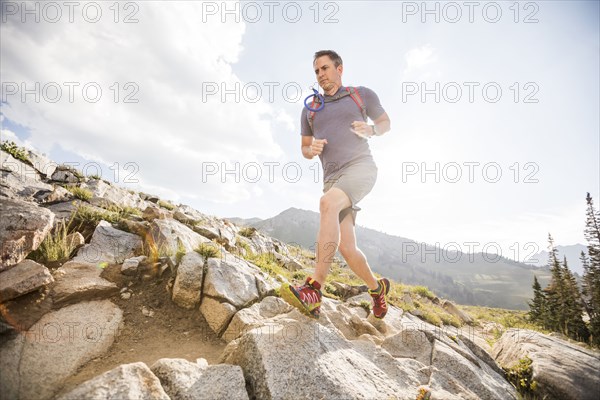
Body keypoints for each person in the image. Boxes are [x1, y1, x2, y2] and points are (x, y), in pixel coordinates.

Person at [280, 50, 392, 319]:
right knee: (347, 248)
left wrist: (372, 130)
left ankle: (314, 289)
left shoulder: (361, 94)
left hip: (361, 168)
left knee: (326, 204)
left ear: (339, 69)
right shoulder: (310, 109)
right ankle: (378, 290)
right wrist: (312, 149)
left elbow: (385, 123)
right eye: (316, 71)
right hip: (332, 179)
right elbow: (305, 148)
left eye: (325, 68)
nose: (320, 75)